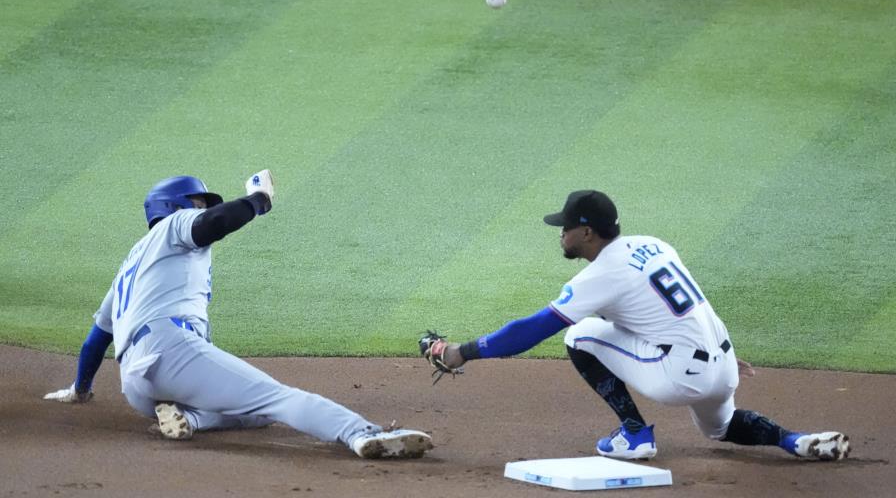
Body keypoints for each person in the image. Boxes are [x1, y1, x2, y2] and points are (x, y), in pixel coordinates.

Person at [425, 190, 849, 461]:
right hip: (724, 362)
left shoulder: (600, 274)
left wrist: (461, 351)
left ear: (587, 232)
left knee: (579, 334)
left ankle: (634, 434)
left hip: (681, 375)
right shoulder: (653, 245)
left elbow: (531, 330)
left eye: (566, 229)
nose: (560, 235)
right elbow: (679, 309)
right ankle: (794, 441)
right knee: (720, 427)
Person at [44, 171, 433, 459]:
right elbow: (215, 223)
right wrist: (258, 201)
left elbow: (97, 339)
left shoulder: (130, 266)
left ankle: (190, 418)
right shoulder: (173, 227)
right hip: (171, 350)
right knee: (276, 398)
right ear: (172, 208)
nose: (203, 209)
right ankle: (362, 434)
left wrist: (80, 389)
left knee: (251, 413)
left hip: (136, 386)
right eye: (196, 203)